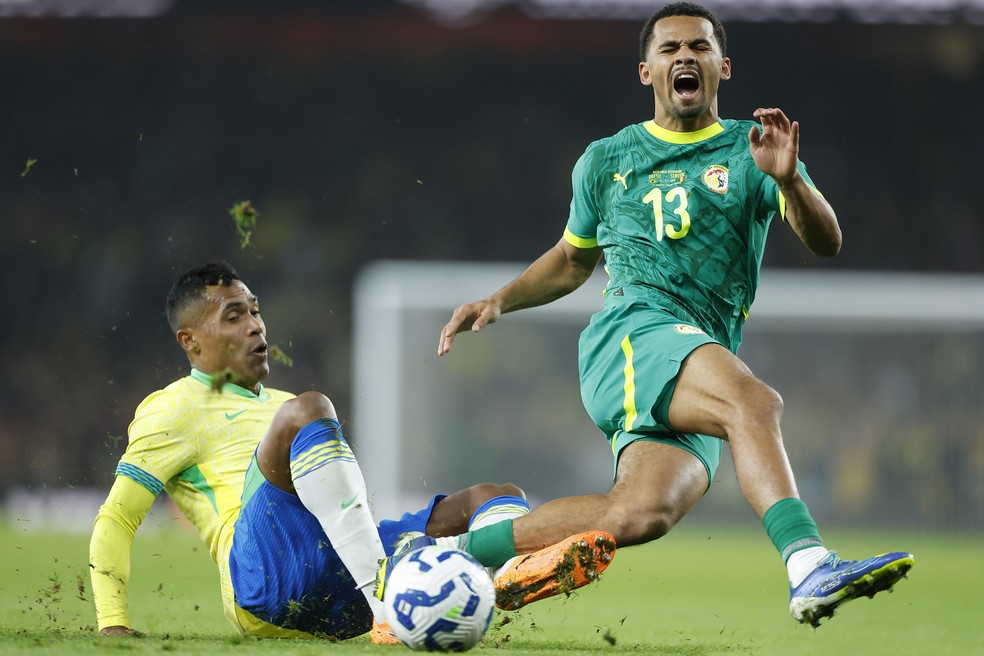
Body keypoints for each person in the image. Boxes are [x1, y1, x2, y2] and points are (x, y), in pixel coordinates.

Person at [432, 2, 913, 627]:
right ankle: (808, 565)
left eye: (699, 47)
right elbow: (573, 260)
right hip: (632, 337)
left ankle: (460, 552)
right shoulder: (606, 160)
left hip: (694, 356)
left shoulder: (757, 150)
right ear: (646, 70)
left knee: (637, 514)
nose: (684, 56)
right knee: (755, 404)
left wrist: (791, 182)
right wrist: (501, 298)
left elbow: (827, 242)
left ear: (723, 65)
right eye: (669, 49)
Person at [89, 262, 615, 643]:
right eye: (233, 316)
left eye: (255, 311)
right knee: (308, 407)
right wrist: (112, 621)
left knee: (495, 495)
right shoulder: (173, 409)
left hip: (335, 580)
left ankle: (505, 575)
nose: (255, 325)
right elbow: (118, 518)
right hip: (263, 581)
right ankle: (388, 594)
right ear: (191, 342)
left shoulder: (280, 407)